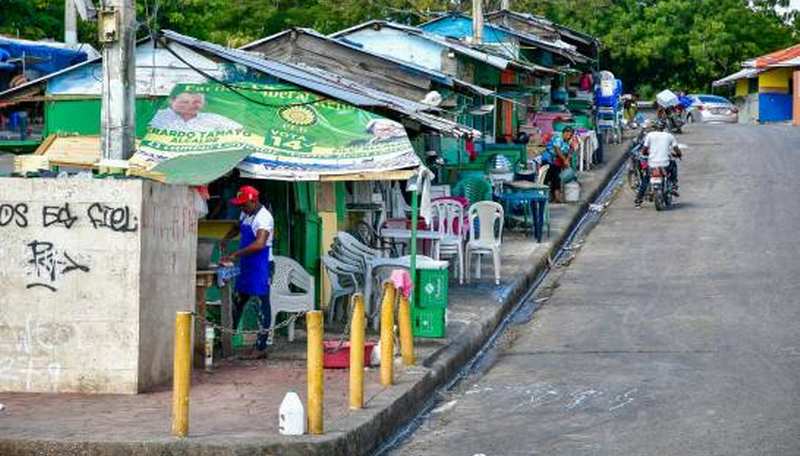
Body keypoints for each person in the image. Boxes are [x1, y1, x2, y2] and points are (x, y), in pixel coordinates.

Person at [220, 185, 274, 356]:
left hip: (262, 266)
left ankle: (261, 347)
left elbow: (259, 244)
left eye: (244, 204)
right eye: (240, 205)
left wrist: (235, 254)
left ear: (254, 200)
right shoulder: (246, 213)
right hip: (247, 265)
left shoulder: (264, 218)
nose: (241, 208)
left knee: (261, 305)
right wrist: (225, 239)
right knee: (237, 302)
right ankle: (226, 342)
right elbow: (237, 226)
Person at [635, 121, 682, 208]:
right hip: (665, 164)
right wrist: (679, 155)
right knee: (673, 164)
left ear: (655, 128)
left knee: (645, 180)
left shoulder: (650, 135)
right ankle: (674, 184)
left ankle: (638, 200)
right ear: (664, 128)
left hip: (652, 164)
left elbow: (644, 150)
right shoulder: (669, 136)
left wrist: (646, 154)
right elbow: (676, 149)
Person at [150, 92, 243, 132]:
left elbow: (239, 130)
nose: (190, 106)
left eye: (196, 102)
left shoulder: (213, 118)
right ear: (171, 101)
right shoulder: (157, 116)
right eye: (185, 102)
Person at [543, 127, 576, 203]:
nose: (569, 136)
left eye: (570, 135)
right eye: (568, 134)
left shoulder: (568, 141)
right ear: (564, 133)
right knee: (550, 178)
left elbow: (570, 150)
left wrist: (567, 159)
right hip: (549, 160)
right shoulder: (558, 139)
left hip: (557, 162)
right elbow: (557, 149)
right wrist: (564, 160)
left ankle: (556, 197)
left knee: (557, 178)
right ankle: (552, 197)